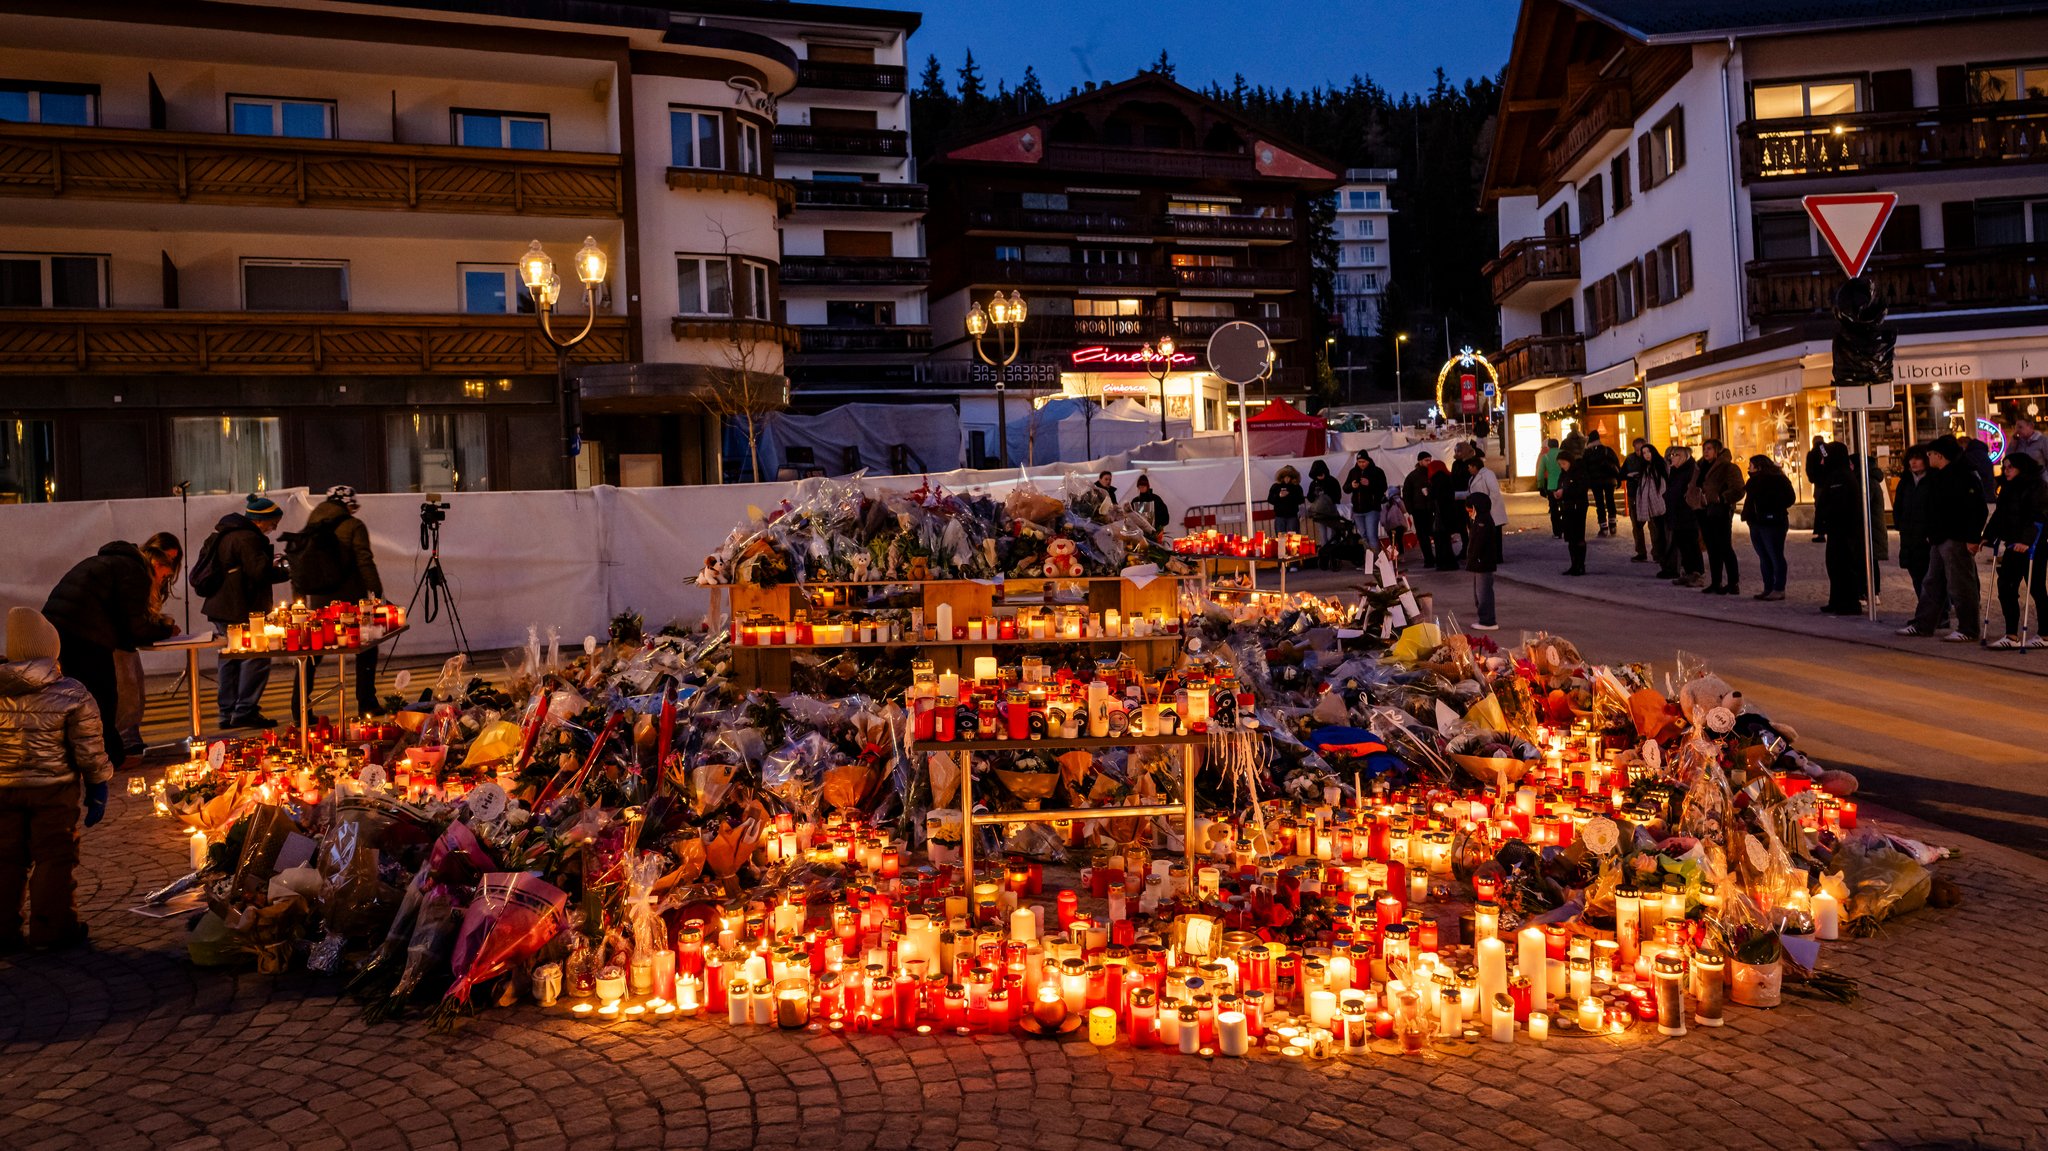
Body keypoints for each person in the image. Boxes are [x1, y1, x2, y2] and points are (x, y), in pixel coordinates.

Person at [0, 607, 115, 953]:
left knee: (4, 858)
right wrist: (98, 784)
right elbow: (88, 746)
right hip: (54, 790)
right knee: (54, 857)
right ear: (52, 650)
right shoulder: (71, 693)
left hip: (3, 790)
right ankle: (53, 928)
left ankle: (2, 930)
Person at [41, 537, 178, 765]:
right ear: (155, 566)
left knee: (76, 697)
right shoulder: (134, 572)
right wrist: (165, 630)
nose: (162, 583)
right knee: (102, 697)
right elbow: (135, 626)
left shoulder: (111, 563)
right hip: (84, 635)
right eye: (164, 576)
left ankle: (83, 756)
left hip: (57, 631)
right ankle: (111, 759)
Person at [290, 485, 385, 719]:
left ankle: (299, 707)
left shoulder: (311, 526)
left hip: (320, 599)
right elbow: (365, 560)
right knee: (366, 649)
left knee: (313, 652)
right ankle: (367, 704)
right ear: (348, 504)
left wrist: (299, 601)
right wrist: (377, 594)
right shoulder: (353, 526)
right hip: (351, 599)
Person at [197, 495, 290, 729]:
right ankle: (245, 710)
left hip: (221, 606)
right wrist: (285, 571)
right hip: (240, 607)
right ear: (260, 520)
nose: (275, 527)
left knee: (229, 659)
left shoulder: (223, 534)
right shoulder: (248, 538)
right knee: (256, 656)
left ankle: (226, 712)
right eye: (273, 522)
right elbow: (258, 573)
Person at [1899, 436, 1987, 641]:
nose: (1926, 458)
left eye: (1929, 455)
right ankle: (1923, 624)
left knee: (1960, 584)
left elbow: (1977, 509)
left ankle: (1968, 629)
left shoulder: (1963, 476)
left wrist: (1972, 537)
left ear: (1939, 456)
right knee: (1932, 583)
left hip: (1956, 537)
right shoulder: (1940, 475)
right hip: (1939, 538)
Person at [114, 532, 182, 758]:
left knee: (134, 683)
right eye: (167, 562)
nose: (170, 568)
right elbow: (135, 623)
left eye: (174, 560)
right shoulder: (137, 576)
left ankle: (129, 737)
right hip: (114, 639)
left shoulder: (142, 576)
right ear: (155, 560)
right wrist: (161, 628)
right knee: (126, 686)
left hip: (120, 638)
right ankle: (126, 740)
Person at [1983, 452, 2048, 649]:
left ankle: (2045, 633)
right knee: (2006, 585)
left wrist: (2026, 540)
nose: (2006, 470)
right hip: (2012, 544)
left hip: (2033, 546)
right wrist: (1988, 535)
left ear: (2022, 467)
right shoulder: (2008, 488)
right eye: (2005, 467)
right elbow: (2000, 515)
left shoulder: (2038, 487)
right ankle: (2011, 634)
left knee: (2036, 588)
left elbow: (2040, 517)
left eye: (2010, 466)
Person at [1818, 448, 1868, 615]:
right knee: (1834, 566)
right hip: (1837, 529)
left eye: (1825, 459)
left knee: (1844, 566)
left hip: (1845, 531)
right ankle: (1837, 601)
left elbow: (1840, 505)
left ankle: (1849, 603)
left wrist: (1828, 515)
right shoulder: (1834, 476)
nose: (1822, 463)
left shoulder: (1842, 477)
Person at [1694, 438, 1746, 595]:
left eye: (1709, 449)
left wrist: (1722, 498)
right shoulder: (1701, 466)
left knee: (1724, 547)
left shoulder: (1728, 468)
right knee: (1711, 548)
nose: (1706, 452)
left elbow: (1739, 489)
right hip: (1703, 510)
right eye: (1704, 449)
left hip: (1720, 510)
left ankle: (1733, 583)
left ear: (1717, 451)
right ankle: (1715, 582)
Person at [1742, 456, 1795, 601]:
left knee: (1775, 555)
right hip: (1756, 522)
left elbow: (1790, 498)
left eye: (1751, 465)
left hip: (1772, 522)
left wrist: (1770, 507)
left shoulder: (1777, 479)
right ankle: (1768, 587)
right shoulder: (1753, 481)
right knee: (1764, 556)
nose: (1748, 468)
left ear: (1759, 467)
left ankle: (1778, 588)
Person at [1893, 446, 1937, 622]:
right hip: (1909, 535)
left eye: (1918, 458)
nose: (1914, 462)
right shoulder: (1906, 481)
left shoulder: (1933, 480)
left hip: (1926, 536)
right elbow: (1899, 505)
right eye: (1911, 458)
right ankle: (1926, 613)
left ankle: (1937, 614)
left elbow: (1935, 508)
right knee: (1916, 574)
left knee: (1931, 577)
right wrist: (1900, 525)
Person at [1465, 469, 1502, 632]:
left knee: (1484, 592)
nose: (1469, 513)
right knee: (1480, 592)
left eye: (1470, 509)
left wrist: (1473, 559)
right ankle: (1485, 618)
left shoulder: (1482, 522)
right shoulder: (1481, 520)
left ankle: (1487, 620)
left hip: (1482, 562)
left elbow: (1478, 544)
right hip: (1480, 562)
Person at [1663, 445, 1705, 586]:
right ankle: (1687, 573)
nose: (1672, 457)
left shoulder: (1691, 470)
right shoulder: (1675, 471)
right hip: (1676, 513)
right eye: (1672, 454)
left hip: (1688, 514)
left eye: (1675, 455)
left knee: (1692, 545)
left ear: (1684, 457)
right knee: (1682, 544)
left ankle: (1697, 574)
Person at [1634, 443, 1674, 578]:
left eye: (1648, 452)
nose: (1646, 455)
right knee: (1659, 537)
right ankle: (1664, 565)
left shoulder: (1660, 466)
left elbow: (1663, 486)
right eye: (1644, 453)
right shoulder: (1645, 468)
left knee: (1666, 537)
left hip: (1662, 506)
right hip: (1653, 508)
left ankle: (1670, 566)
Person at [1342, 450, 1389, 552]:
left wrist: (1369, 484)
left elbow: (1383, 488)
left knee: (1372, 536)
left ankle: (1377, 562)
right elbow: (1345, 488)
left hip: (1372, 509)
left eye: (1363, 461)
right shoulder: (1353, 472)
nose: (1361, 464)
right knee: (1364, 537)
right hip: (1357, 510)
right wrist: (1352, 486)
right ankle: (1368, 561)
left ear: (1368, 461)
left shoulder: (1377, 471)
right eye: (1359, 462)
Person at [1555, 449, 1590, 576]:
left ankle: (1580, 565)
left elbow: (1581, 489)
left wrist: (1565, 492)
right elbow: (1561, 485)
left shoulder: (1579, 472)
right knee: (1570, 538)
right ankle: (1574, 564)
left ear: (1569, 461)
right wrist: (1558, 493)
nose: (1562, 467)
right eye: (1560, 464)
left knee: (1578, 537)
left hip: (1578, 508)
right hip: (1567, 508)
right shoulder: (1563, 474)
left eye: (1564, 464)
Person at [1582, 430, 1622, 536]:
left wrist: (1586, 483)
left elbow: (1584, 469)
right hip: (1610, 481)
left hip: (1596, 482)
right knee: (1610, 500)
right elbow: (1616, 465)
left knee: (1599, 503)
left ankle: (1603, 527)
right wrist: (1618, 479)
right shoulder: (1607, 450)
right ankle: (1613, 525)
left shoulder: (1587, 453)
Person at [1401, 453, 1436, 568]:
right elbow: (1406, 494)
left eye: (1430, 460)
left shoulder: (1432, 474)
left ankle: (1436, 557)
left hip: (1431, 509)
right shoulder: (1412, 476)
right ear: (1420, 461)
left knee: (1434, 533)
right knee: (1423, 535)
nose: (1429, 462)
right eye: (1426, 460)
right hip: (1419, 510)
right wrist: (1411, 510)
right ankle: (1429, 558)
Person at [1428, 457, 1462, 571]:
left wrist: (1427, 493)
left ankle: (1443, 563)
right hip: (1447, 514)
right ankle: (1448, 563)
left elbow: (1435, 496)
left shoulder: (1437, 479)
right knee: (1446, 541)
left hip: (1441, 515)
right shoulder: (1447, 477)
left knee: (1441, 541)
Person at [1621, 437, 1651, 561]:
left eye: (1641, 449)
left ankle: (1657, 553)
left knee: (1653, 526)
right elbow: (1621, 474)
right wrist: (1629, 476)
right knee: (1636, 526)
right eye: (1636, 449)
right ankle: (1641, 552)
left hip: (1648, 494)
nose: (1639, 452)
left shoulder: (1649, 458)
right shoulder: (1630, 459)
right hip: (1634, 494)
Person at [1305, 459, 1343, 551]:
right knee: (1323, 534)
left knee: (1331, 534)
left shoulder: (1332, 481)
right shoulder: (1313, 484)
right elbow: (1309, 497)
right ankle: (1326, 552)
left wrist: (1326, 498)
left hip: (1330, 512)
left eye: (1321, 474)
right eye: (1318, 475)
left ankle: (1332, 552)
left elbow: (1337, 496)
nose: (1320, 476)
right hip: (1319, 513)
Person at [1805, 436, 1831, 543]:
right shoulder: (1826, 450)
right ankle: (1832, 531)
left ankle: (1821, 534)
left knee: (1820, 508)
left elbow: (1809, 469)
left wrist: (1813, 479)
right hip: (1829, 484)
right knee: (1830, 508)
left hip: (1819, 485)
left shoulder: (1812, 453)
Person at [1536, 437, 1563, 538]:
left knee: (1554, 509)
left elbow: (1541, 474)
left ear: (1549, 446)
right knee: (1564, 508)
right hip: (1563, 485)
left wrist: (1540, 485)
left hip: (1551, 486)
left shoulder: (1545, 457)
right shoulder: (1563, 454)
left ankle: (1557, 532)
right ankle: (1565, 528)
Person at [1267, 466, 1305, 535]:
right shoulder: (1276, 486)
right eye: (1285, 477)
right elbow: (1270, 499)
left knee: (1292, 537)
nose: (1287, 479)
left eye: (1289, 477)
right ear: (1282, 477)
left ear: (1292, 477)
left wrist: (1289, 495)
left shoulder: (1297, 487)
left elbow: (1301, 500)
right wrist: (1279, 496)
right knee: (1281, 538)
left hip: (1292, 516)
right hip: (1280, 516)